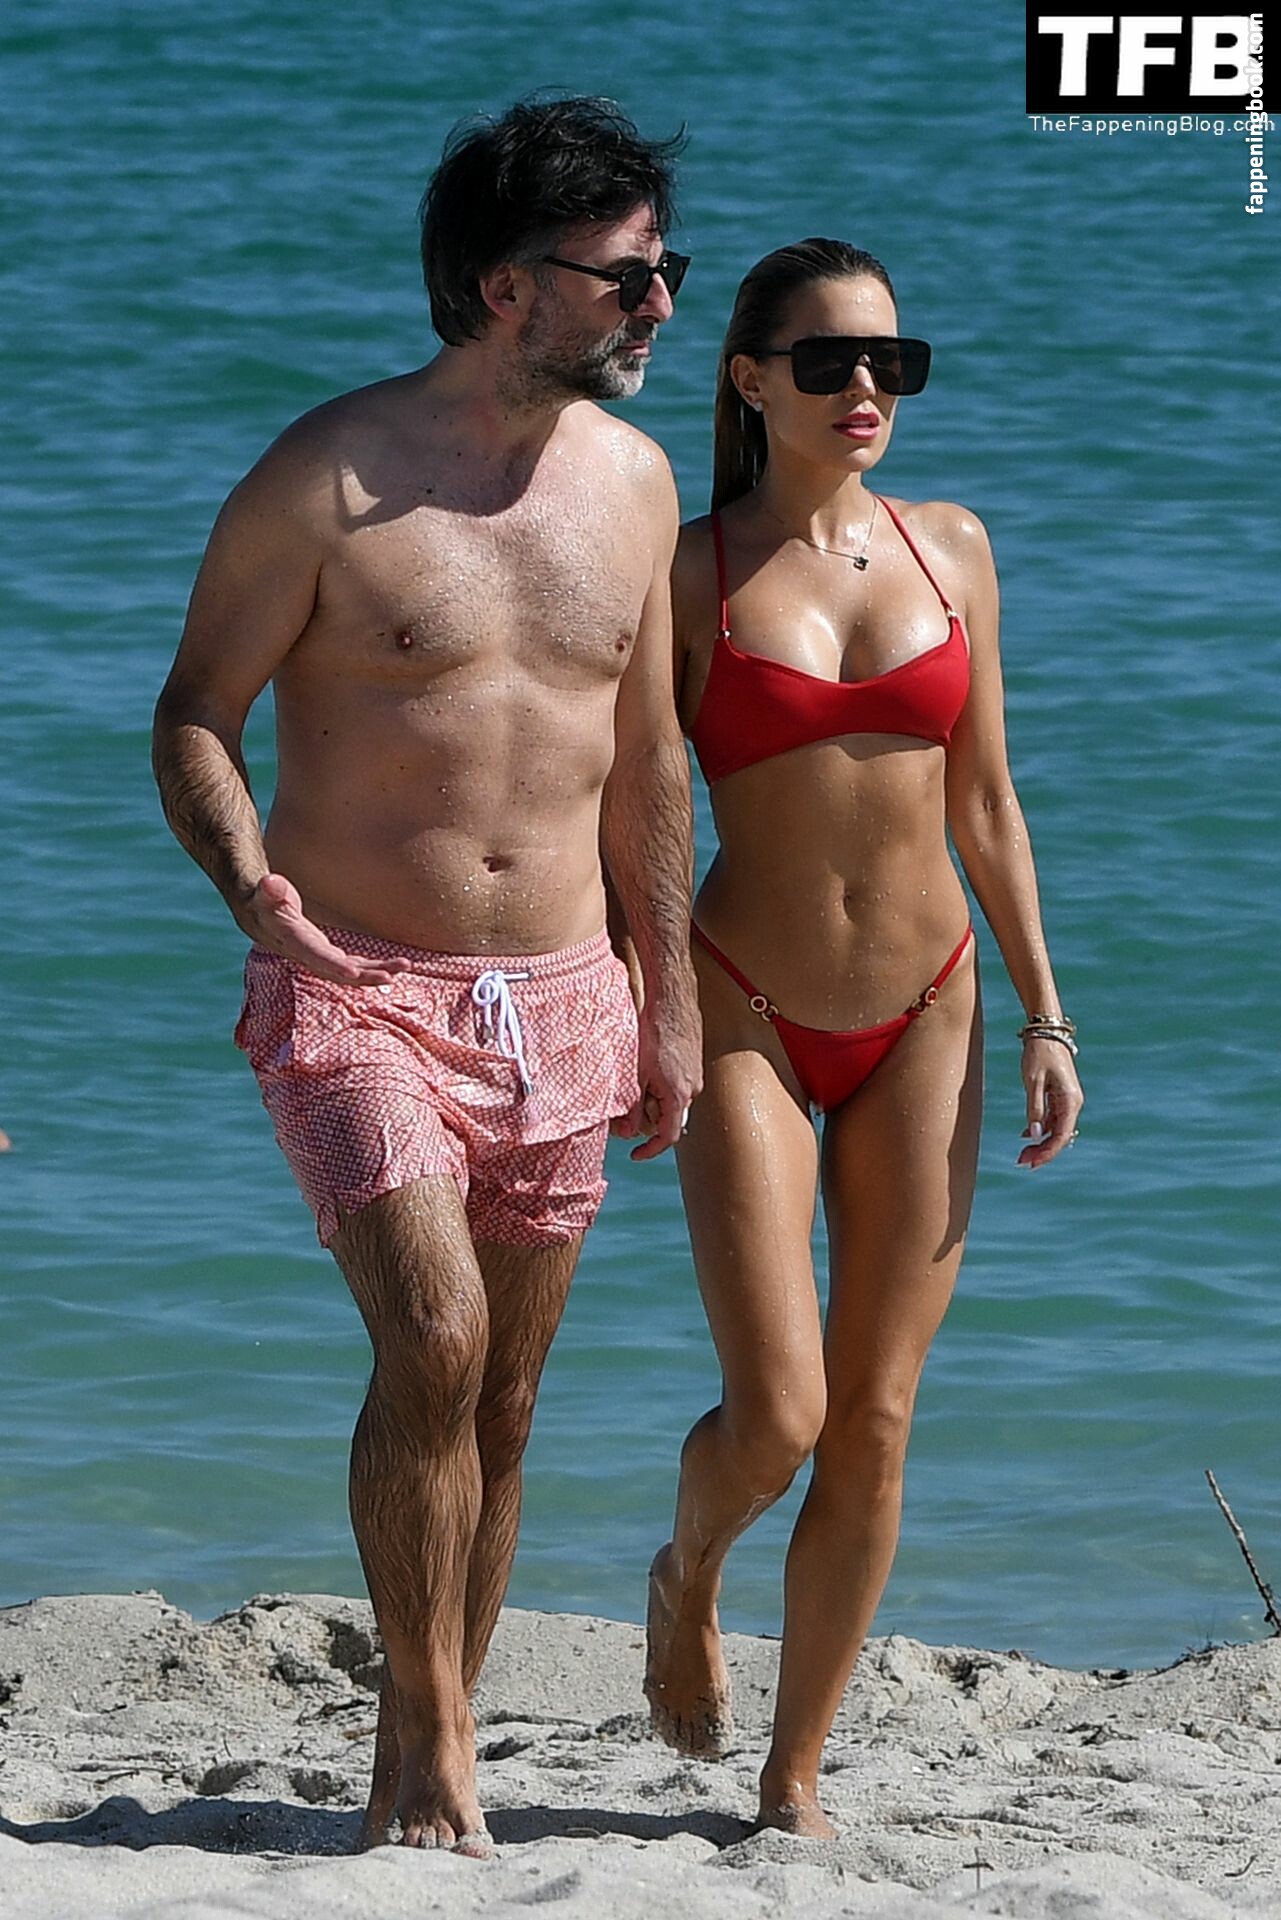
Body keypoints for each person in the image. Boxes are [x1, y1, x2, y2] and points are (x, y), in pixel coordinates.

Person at [152, 96, 702, 1857]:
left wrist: (670, 999)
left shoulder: (636, 484)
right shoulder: (324, 478)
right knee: (439, 1342)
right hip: (354, 984)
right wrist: (246, 878)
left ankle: (419, 1744)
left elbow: (650, 760)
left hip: (567, 991)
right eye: (624, 276)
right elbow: (193, 713)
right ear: (501, 286)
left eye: (665, 270)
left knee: (506, 1397)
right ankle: (441, 1737)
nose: (659, 306)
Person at [644, 239, 1084, 1836]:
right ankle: (686, 1572)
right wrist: (633, 1002)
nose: (863, 390)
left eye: (890, 363)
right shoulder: (684, 573)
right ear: (746, 378)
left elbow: (988, 801)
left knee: (877, 1415)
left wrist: (1046, 1014)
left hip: (928, 1012)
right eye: (827, 362)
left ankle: (792, 1775)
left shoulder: (949, 545)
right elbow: (634, 810)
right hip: (743, 1009)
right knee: (778, 1412)